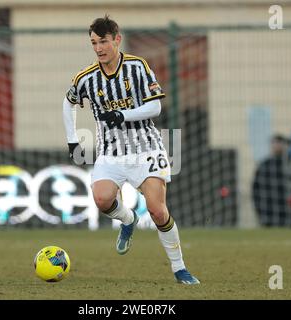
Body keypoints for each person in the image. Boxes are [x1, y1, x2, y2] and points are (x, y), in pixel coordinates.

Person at [62, 15, 199, 284]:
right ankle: (128, 220)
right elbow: (68, 102)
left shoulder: (138, 67)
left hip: (146, 148)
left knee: (158, 211)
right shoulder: (86, 77)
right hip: (110, 153)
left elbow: (156, 107)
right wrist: (72, 139)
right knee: (101, 200)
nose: (99, 48)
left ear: (117, 40)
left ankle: (180, 268)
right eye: (93, 43)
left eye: (103, 41)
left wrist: (123, 115)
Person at [252, 134, 291, 227]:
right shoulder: (264, 165)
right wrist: (258, 209)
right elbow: (255, 188)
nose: (277, 146)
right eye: (275, 143)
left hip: (287, 211)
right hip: (267, 211)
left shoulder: (290, 164)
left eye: (280, 143)